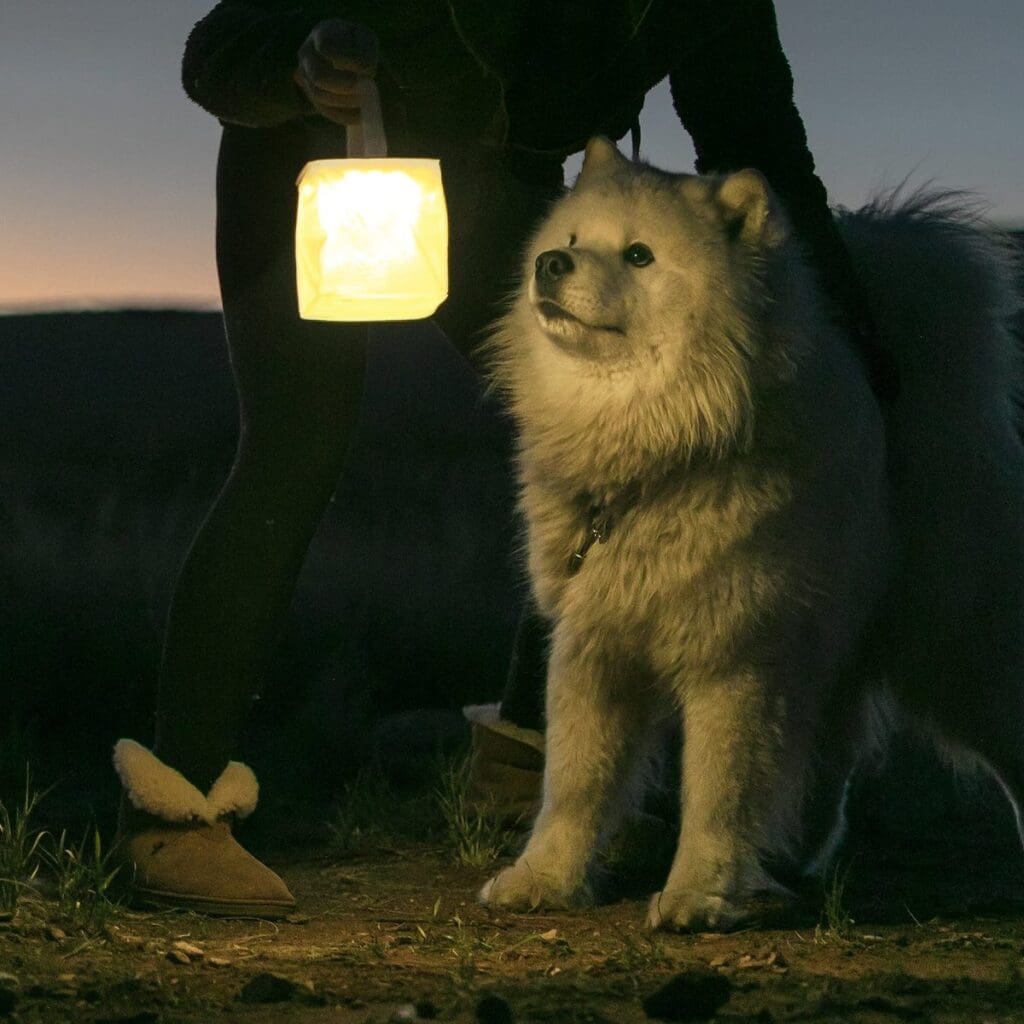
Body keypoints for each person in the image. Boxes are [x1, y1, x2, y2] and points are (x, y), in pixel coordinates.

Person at [113, 0, 888, 916]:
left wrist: (867, 350)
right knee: (295, 444)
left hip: (485, 176)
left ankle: (530, 757)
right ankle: (175, 816)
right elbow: (218, 47)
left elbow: (756, 141)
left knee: (602, 430)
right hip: (309, 157)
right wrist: (299, 65)